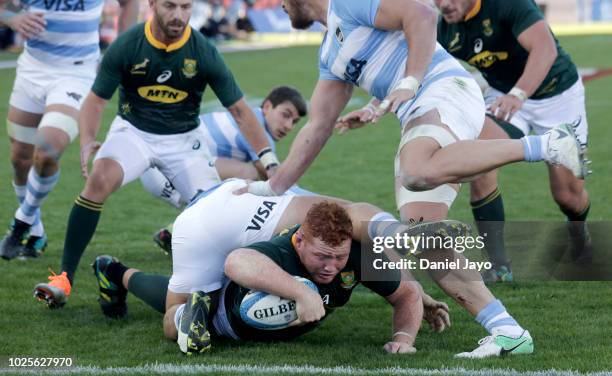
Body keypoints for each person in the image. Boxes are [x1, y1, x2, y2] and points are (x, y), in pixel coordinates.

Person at [237, 0, 567, 357]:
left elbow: (422, 14)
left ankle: (544, 145)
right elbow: (317, 127)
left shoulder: (347, 4)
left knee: (416, 170)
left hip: (443, 89)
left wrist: (409, 81)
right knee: (423, 239)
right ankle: (508, 332)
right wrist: (271, 187)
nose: (279, 5)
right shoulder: (330, 52)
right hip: (421, 110)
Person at [90, 178, 531, 358]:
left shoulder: (334, 234)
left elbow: (396, 285)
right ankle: (120, 274)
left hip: (252, 205)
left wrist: (414, 292)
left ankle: (400, 232)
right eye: (324, 257)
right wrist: (302, 293)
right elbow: (236, 259)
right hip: (205, 227)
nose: (333, 265)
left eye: (340, 257)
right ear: (301, 240)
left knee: (348, 216)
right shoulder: (294, 241)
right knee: (176, 320)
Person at [32, 0, 278, 308]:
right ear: (152, 5)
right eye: (169, 6)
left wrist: (268, 159)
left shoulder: (202, 50)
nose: (178, 15)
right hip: (133, 132)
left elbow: (240, 110)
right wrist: (88, 142)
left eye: (186, 7)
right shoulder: (129, 45)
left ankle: (234, 284)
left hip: (184, 139)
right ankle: (63, 279)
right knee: (98, 180)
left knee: (219, 212)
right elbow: (95, 101)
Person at [434, 0, 594, 274]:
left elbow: (545, 48)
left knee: (568, 196)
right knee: (478, 158)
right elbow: (417, 66)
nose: (443, 4)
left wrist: (519, 94)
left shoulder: (507, 4)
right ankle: (498, 267)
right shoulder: (445, 29)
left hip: (558, 97)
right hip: (503, 96)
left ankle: (579, 233)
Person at [0, 0, 139, 260]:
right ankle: (35, 231)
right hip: (32, 70)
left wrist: (120, 48)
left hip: (76, 73)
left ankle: (20, 223)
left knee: (47, 150)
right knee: (20, 158)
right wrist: (12, 19)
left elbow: (129, 3)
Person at [139, 85, 308, 210]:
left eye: (294, 121)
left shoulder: (250, 117)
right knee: (249, 176)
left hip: (157, 167)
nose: (288, 126)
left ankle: (173, 233)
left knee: (244, 188)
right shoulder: (255, 127)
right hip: (163, 171)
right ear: (267, 107)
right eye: (285, 115)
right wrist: (308, 202)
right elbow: (277, 179)